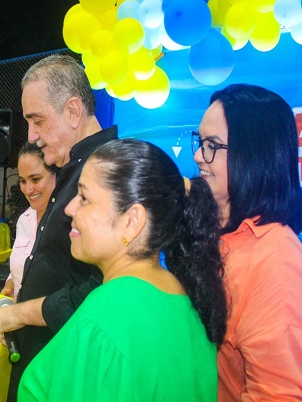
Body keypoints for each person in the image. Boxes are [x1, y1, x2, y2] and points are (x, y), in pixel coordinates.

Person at [18, 138, 227, 401]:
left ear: (132, 221)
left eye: (84, 197)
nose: (70, 209)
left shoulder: (101, 321)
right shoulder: (185, 301)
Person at [0, 54, 118, 399]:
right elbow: (61, 269)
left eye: (38, 121)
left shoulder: (105, 171)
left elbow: (100, 291)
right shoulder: (73, 167)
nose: (32, 135)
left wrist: (19, 314)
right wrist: (6, 309)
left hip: (65, 373)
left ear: (73, 112)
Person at [193, 83, 302, 401]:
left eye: (212, 145)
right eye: (199, 142)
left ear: (253, 156)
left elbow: (280, 395)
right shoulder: (219, 233)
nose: (197, 156)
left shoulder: (277, 268)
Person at [1, 142, 57, 299]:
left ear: (56, 175)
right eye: (23, 181)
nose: (28, 189)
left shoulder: (67, 223)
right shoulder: (24, 220)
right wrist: (10, 284)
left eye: (36, 179)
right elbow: (19, 268)